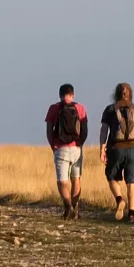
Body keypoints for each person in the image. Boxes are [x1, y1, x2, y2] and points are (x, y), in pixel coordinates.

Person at [99, 82, 134, 222]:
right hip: (133, 149)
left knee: (112, 177)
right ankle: (132, 214)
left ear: (115, 94)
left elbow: (104, 130)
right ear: (131, 94)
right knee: (132, 183)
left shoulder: (109, 110)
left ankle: (119, 199)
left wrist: (102, 148)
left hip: (115, 149)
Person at [44, 83, 89, 219]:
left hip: (60, 148)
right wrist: (79, 144)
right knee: (76, 179)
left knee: (62, 181)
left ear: (60, 95)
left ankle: (67, 206)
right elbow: (85, 130)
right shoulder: (80, 108)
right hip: (76, 148)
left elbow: (49, 130)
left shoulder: (53, 108)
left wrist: (53, 146)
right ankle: (75, 209)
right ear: (72, 95)